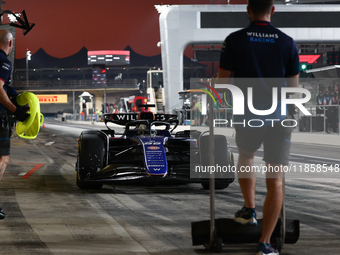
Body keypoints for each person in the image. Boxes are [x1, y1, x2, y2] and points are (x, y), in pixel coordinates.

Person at [214, 1, 300, 255]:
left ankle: (249, 209)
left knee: (247, 156)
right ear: (272, 10)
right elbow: (294, 90)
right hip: (279, 117)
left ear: (248, 10)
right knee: (276, 180)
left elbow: (222, 85)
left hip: (248, 113)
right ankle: (265, 242)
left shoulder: (234, 40)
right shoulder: (287, 42)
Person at [0, 29, 30, 219]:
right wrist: (15, 109)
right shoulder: (3, 61)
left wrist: (14, 95)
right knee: (3, 159)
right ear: (10, 44)